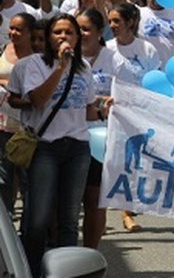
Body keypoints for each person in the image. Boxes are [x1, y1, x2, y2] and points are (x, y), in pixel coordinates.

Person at [15, 14, 97, 277]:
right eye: (58, 33)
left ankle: (67, 272)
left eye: (69, 33)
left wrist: (107, 107)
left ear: (77, 38)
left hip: (77, 148)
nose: (63, 37)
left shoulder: (84, 66)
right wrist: (61, 67)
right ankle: (31, 270)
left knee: (70, 219)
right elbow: (38, 100)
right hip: (46, 148)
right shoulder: (35, 65)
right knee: (38, 220)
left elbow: (88, 110)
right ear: (49, 37)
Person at [105, 2, 160, 231]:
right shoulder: (107, 49)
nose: (112, 25)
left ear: (130, 22)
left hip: (142, 114)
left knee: (139, 164)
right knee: (119, 162)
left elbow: (156, 82)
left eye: (117, 21)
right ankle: (126, 213)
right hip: (115, 114)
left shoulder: (147, 49)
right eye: (110, 21)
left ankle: (133, 204)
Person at [76, 7, 115, 249]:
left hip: (101, 140)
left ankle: (90, 256)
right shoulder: (65, 58)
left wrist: (102, 103)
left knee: (94, 200)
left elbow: (125, 97)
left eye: (86, 29)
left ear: (100, 32)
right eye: (76, 29)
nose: (80, 34)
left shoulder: (114, 59)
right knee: (64, 203)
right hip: (68, 135)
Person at [0, 13, 35, 213]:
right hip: (2, 125)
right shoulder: (3, 50)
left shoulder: (37, 59)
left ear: (30, 33)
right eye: (11, 28)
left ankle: (28, 233)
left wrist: (8, 84)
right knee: (3, 181)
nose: (13, 33)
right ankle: (6, 231)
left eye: (19, 29)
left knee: (26, 181)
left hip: (25, 129)